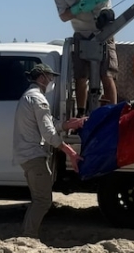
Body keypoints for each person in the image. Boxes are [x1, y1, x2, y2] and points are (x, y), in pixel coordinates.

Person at [12, 63, 86, 238]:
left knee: (38, 199)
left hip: (26, 156)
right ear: (42, 77)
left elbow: (49, 124)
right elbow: (49, 134)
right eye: (50, 77)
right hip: (34, 156)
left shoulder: (29, 97)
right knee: (43, 201)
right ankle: (28, 236)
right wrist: (71, 152)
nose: (52, 80)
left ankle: (27, 234)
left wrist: (68, 124)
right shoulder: (38, 99)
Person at [54, 0, 123, 116]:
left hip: (104, 32)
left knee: (107, 73)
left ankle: (113, 111)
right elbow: (63, 16)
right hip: (82, 33)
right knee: (81, 76)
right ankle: (81, 113)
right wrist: (77, 9)